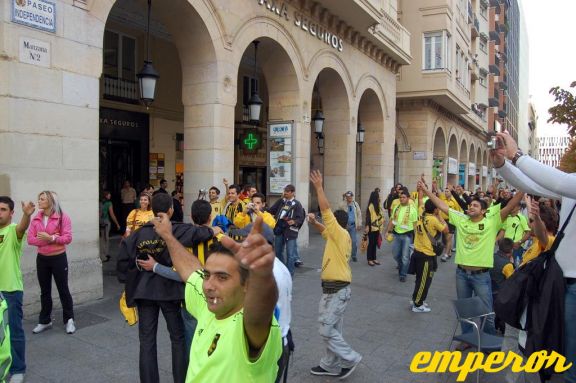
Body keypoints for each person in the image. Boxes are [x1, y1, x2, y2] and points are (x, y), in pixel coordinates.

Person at [152, 213, 282, 382]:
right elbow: (190, 271)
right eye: (207, 275)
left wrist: (262, 276)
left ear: (247, 285)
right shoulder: (209, 306)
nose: (208, 285)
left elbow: (260, 313)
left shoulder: (247, 327)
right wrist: (168, 236)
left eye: (222, 277)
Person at [491, 130, 576, 382]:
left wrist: (517, 155)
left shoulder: (569, 183)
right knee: (557, 354)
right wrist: (502, 164)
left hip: (573, 287)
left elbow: (558, 183)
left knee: (570, 367)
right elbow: (535, 185)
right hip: (561, 283)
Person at [117, 193, 215, 383]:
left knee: (147, 341)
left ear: (152, 208)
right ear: (170, 209)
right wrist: (215, 229)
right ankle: (180, 379)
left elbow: (122, 262)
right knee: (177, 338)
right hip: (169, 292)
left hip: (144, 292)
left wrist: (131, 274)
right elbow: (202, 232)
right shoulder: (177, 229)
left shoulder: (138, 234)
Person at [419, 179, 524, 339]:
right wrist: (427, 191)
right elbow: (442, 205)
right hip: (461, 274)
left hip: (481, 276)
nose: (471, 207)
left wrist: (524, 187)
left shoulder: (491, 222)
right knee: (464, 310)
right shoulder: (461, 219)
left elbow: (509, 206)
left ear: (483, 211)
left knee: (487, 312)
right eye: (470, 205)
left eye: (475, 205)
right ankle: (467, 338)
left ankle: (489, 341)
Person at [307, 170, 362, 379]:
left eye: (329, 222)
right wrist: (314, 223)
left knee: (326, 330)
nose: (326, 223)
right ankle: (330, 364)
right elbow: (324, 229)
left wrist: (319, 187)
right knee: (331, 330)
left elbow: (326, 210)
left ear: (336, 224)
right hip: (332, 290)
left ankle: (350, 358)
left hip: (338, 290)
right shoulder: (336, 235)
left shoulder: (339, 233)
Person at [27, 191, 76, 335]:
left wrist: (52, 238)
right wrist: (47, 239)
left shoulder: (62, 217)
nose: (39, 201)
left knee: (63, 289)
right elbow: (30, 239)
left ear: (50, 201)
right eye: (39, 198)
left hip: (58, 258)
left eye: (42, 199)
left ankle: (69, 320)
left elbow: (67, 238)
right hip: (42, 259)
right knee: (45, 291)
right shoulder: (36, 219)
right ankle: (45, 320)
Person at [0, 197, 35, 383]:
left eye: (3, 209)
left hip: (10, 291)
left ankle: (18, 368)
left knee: (14, 331)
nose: (0, 212)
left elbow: (22, 228)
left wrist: (26, 215)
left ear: (11, 213)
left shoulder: (13, 230)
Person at [410, 190, 448, 313]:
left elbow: (420, 200)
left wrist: (422, 188)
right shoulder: (433, 220)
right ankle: (417, 304)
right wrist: (440, 216)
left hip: (417, 252)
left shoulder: (422, 213)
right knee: (424, 280)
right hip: (426, 255)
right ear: (435, 209)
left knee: (420, 278)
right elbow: (446, 230)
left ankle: (417, 298)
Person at [268, 185, 305, 276]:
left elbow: (301, 218)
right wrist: (261, 209)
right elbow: (271, 210)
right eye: (285, 191)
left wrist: (294, 221)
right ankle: (282, 270)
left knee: (290, 254)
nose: (285, 193)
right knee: (278, 252)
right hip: (279, 230)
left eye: (287, 191)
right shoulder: (281, 201)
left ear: (293, 193)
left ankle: (290, 273)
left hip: (290, 232)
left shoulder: (297, 204)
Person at [385, 189, 418, 282]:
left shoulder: (413, 209)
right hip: (397, 235)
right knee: (395, 254)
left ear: (408, 198)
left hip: (407, 236)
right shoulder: (397, 207)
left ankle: (403, 274)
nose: (401, 199)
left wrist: (416, 240)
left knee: (405, 257)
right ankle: (402, 265)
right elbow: (392, 221)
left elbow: (415, 225)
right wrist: (388, 231)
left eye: (404, 197)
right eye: (400, 197)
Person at [490, 238, 514, 333]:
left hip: (489, 289)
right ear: (511, 250)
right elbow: (512, 281)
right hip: (499, 294)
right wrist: (512, 263)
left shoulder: (492, 256)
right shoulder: (507, 265)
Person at [496, 203, 531, 267]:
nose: (511, 207)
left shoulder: (521, 218)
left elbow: (528, 233)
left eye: (514, 206)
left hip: (515, 248)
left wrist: (519, 242)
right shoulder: (507, 217)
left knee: (514, 266)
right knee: (502, 266)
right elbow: (503, 230)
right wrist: (496, 241)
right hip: (504, 247)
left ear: (519, 207)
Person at [339, 191, 362, 262]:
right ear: (346, 197)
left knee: (354, 241)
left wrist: (359, 224)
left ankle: (354, 255)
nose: (350, 198)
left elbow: (359, 214)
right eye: (348, 197)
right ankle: (344, 254)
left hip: (352, 226)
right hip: (345, 226)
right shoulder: (342, 204)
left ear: (352, 196)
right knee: (344, 241)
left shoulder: (355, 204)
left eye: (351, 196)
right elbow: (339, 214)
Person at [364, 190, 384, 266]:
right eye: (378, 196)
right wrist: (367, 226)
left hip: (377, 228)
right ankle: (369, 259)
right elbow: (368, 217)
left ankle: (374, 258)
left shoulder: (378, 205)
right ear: (376, 197)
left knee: (375, 243)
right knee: (371, 243)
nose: (380, 197)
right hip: (371, 228)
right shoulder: (371, 206)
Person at [99, 190, 120, 263]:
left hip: (99, 222)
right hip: (106, 222)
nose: (110, 195)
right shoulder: (109, 203)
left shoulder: (100, 202)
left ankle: (104, 254)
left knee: (101, 239)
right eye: (109, 194)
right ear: (106, 195)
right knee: (105, 239)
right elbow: (112, 214)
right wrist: (117, 223)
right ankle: (104, 256)